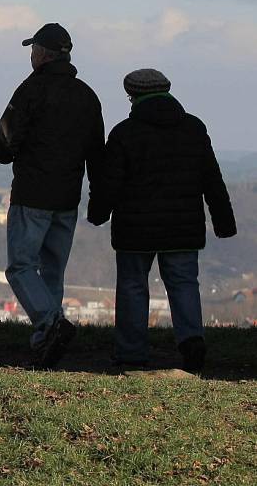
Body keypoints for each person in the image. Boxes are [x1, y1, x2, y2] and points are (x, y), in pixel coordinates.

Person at [87, 69, 236, 373]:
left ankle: (131, 353)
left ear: (132, 95)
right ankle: (192, 340)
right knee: (183, 284)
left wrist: (98, 213)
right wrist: (223, 221)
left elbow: (109, 183)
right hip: (183, 228)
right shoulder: (194, 128)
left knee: (132, 286)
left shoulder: (124, 133)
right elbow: (212, 178)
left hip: (135, 229)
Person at [0, 23, 104, 367]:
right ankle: (47, 342)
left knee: (21, 267)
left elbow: (4, 142)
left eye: (33, 50)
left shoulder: (30, 90)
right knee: (53, 271)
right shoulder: (86, 96)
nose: (31, 56)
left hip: (32, 195)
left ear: (42, 54)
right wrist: (98, 196)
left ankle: (49, 323)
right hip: (68, 198)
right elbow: (97, 153)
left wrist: (11, 151)